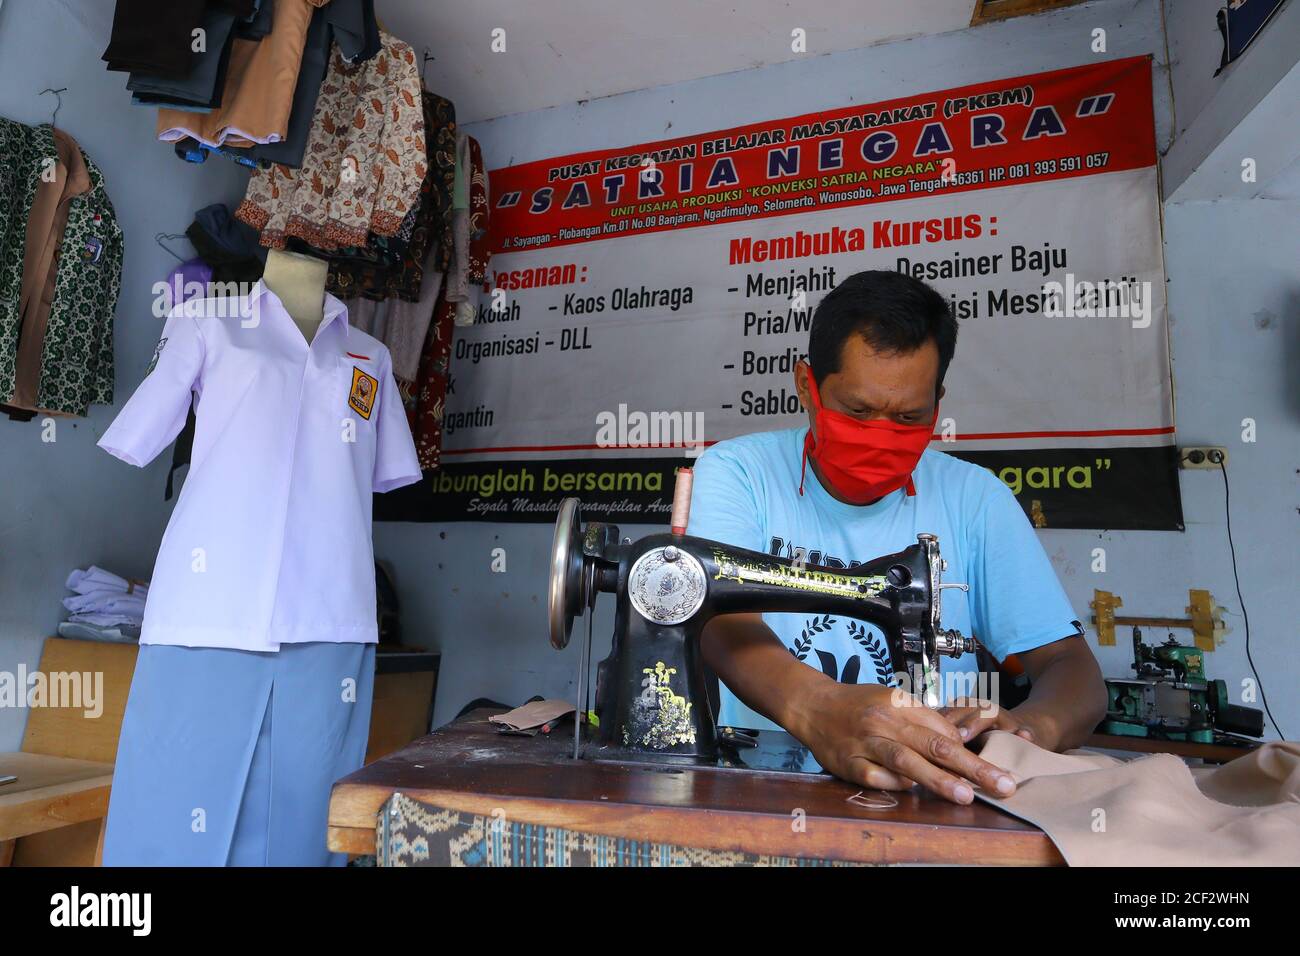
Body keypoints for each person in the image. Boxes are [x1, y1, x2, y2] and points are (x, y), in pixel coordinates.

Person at [688, 269, 1107, 805]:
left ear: (939, 399)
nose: (881, 435)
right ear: (806, 387)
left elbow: (1074, 670)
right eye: (857, 411)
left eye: (910, 416)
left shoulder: (975, 499)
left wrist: (1026, 729)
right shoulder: (739, 473)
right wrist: (817, 709)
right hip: (767, 784)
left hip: (933, 794)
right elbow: (720, 623)